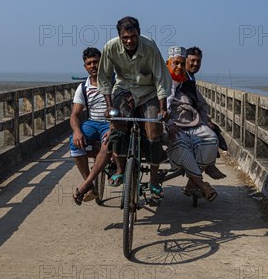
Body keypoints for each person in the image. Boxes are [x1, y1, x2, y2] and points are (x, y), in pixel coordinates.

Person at [97, 16, 172, 200]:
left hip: (148, 92)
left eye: (132, 36)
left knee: (154, 132)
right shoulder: (110, 47)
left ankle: (154, 180)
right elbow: (104, 78)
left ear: (138, 33)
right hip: (124, 90)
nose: (129, 41)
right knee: (117, 125)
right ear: (119, 37)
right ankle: (121, 169)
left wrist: (163, 109)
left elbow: (161, 78)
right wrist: (108, 107)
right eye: (125, 38)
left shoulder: (149, 47)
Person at [164, 46, 218, 202]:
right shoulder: (163, 80)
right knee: (181, 144)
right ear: (169, 63)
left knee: (211, 138)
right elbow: (161, 107)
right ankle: (201, 184)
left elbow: (199, 103)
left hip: (190, 122)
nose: (179, 67)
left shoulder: (187, 80)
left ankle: (195, 179)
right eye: (176, 64)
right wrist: (168, 122)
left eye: (197, 61)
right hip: (170, 123)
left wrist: (204, 120)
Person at [70, 47, 119, 205]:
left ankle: (84, 186)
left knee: (108, 143)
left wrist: (114, 126)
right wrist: (77, 131)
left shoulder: (115, 82)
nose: (92, 66)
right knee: (74, 142)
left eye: (96, 62)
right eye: (89, 63)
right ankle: (90, 185)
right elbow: (75, 114)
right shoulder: (83, 87)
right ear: (85, 66)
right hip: (92, 122)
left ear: (102, 62)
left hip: (110, 122)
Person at [184, 46, 227, 180]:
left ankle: (208, 165)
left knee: (214, 129)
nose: (195, 64)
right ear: (185, 60)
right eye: (192, 60)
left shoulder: (191, 77)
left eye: (198, 61)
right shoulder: (182, 76)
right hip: (183, 117)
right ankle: (207, 167)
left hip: (192, 115)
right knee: (210, 135)